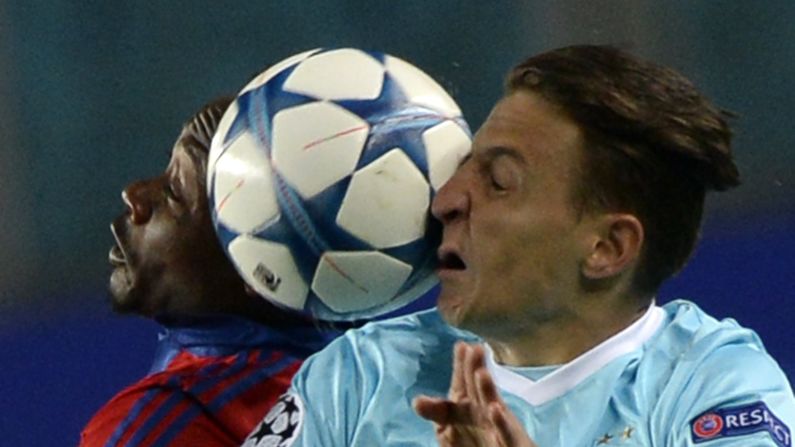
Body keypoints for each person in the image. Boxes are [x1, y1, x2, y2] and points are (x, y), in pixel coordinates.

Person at [243, 45, 795, 446]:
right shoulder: (359, 378)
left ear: (606, 246)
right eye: (464, 167)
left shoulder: (712, 389)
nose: (447, 200)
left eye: (499, 182)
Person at [79, 97, 340, 446]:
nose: (135, 195)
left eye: (174, 191)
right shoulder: (384, 379)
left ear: (257, 267)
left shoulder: (160, 428)